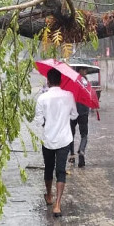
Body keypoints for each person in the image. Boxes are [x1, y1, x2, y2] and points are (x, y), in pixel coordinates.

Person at [34, 69, 79, 217]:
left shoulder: (42, 98)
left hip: (48, 139)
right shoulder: (69, 96)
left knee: (48, 168)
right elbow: (74, 115)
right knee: (61, 170)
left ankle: (49, 195)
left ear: (48, 81)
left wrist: (48, 122)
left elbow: (39, 121)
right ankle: (58, 205)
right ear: (60, 81)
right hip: (64, 139)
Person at [68, 66, 90, 168]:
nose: (86, 71)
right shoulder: (86, 82)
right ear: (80, 70)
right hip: (84, 112)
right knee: (84, 135)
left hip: (73, 111)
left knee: (71, 134)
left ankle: (72, 155)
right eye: (84, 69)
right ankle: (81, 150)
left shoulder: (72, 80)